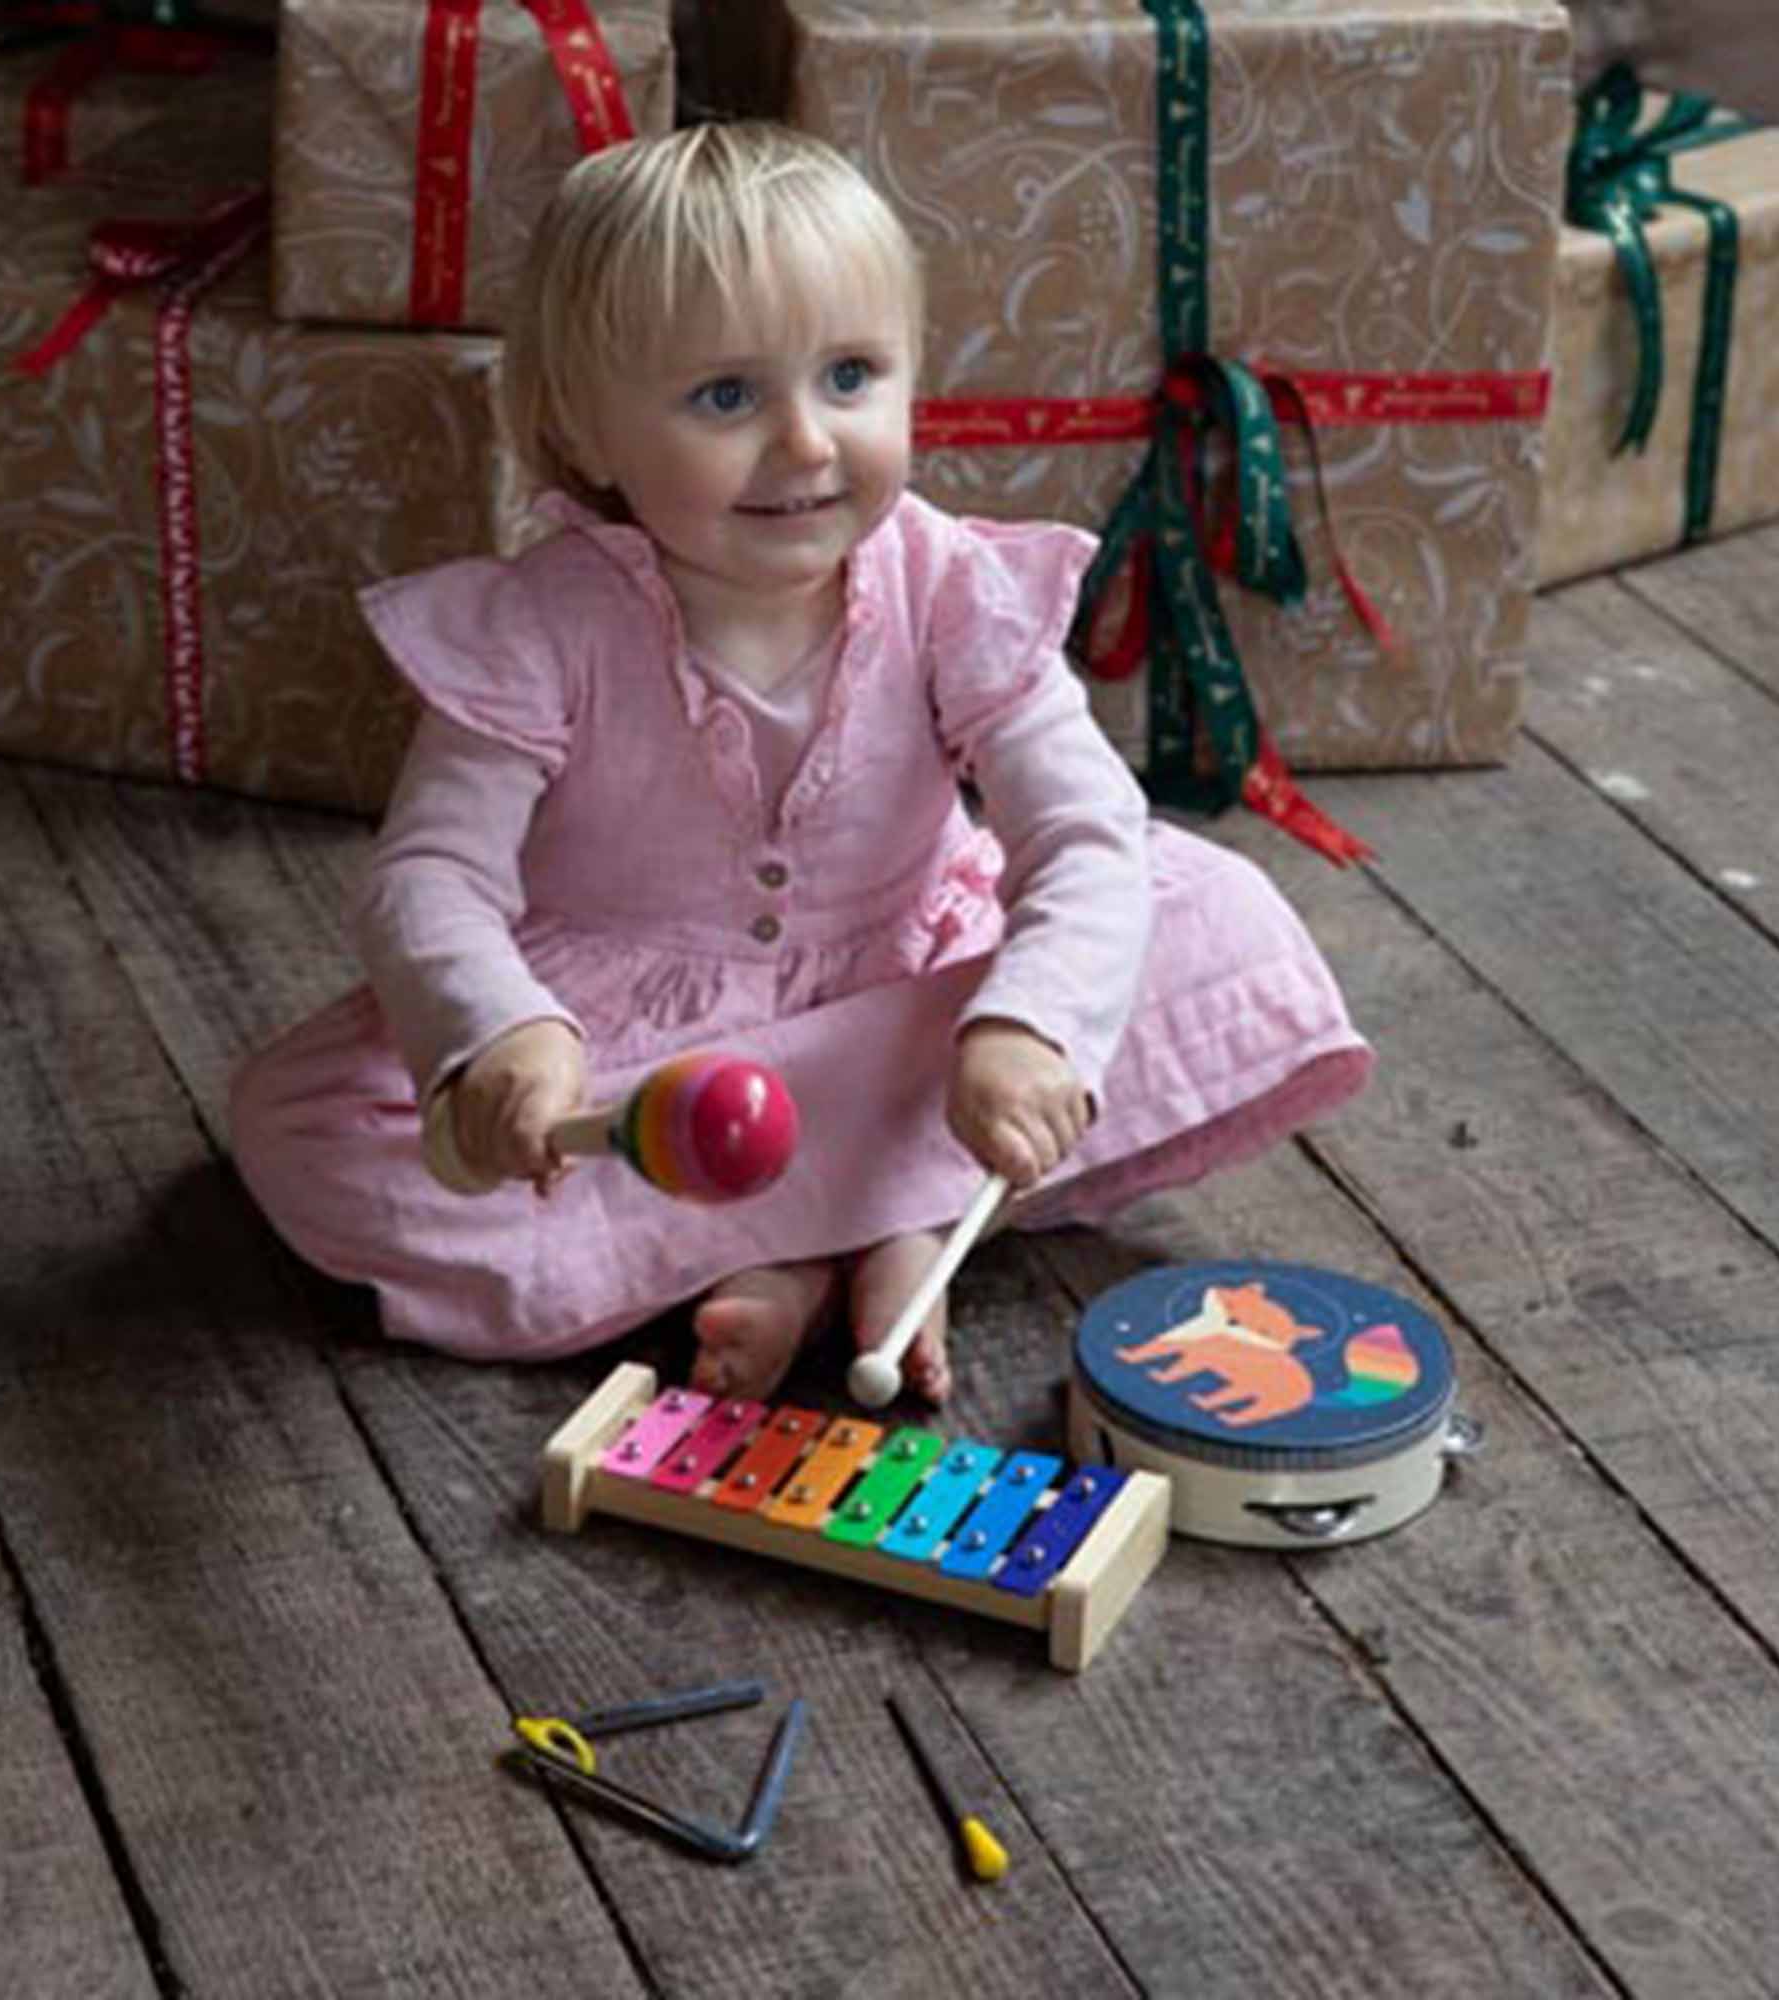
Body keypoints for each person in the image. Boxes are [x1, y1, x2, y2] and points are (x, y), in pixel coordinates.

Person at [228, 121, 1373, 1406]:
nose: (808, 442)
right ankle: (875, 1221)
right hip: (637, 1056)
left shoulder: (946, 585)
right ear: (584, 432)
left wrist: (1024, 1022)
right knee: (309, 1128)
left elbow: (1081, 830)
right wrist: (498, 1032)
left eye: (849, 376)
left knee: (1217, 915)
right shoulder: (539, 626)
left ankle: (814, 1226)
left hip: (904, 994)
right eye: (726, 396)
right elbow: (428, 875)